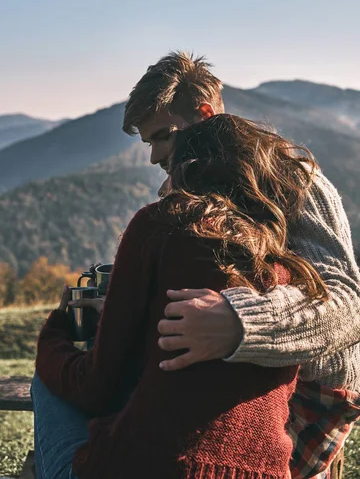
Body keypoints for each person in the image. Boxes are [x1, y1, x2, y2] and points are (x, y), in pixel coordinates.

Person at [32, 113, 329, 479]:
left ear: (192, 170)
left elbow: (96, 387)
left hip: (151, 468)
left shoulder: (161, 226)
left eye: (171, 171)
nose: (162, 188)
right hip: (266, 472)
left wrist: (53, 334)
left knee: (46, 384)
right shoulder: (292, 270)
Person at [122, 51, 360, 479]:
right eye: (148, 141)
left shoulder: (290, 175)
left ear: (206, 115)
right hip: (237, 373)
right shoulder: (195, 187)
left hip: (312, 389)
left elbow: (347, 305)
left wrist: (240, 323)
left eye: (163, 135)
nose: (155, 154)